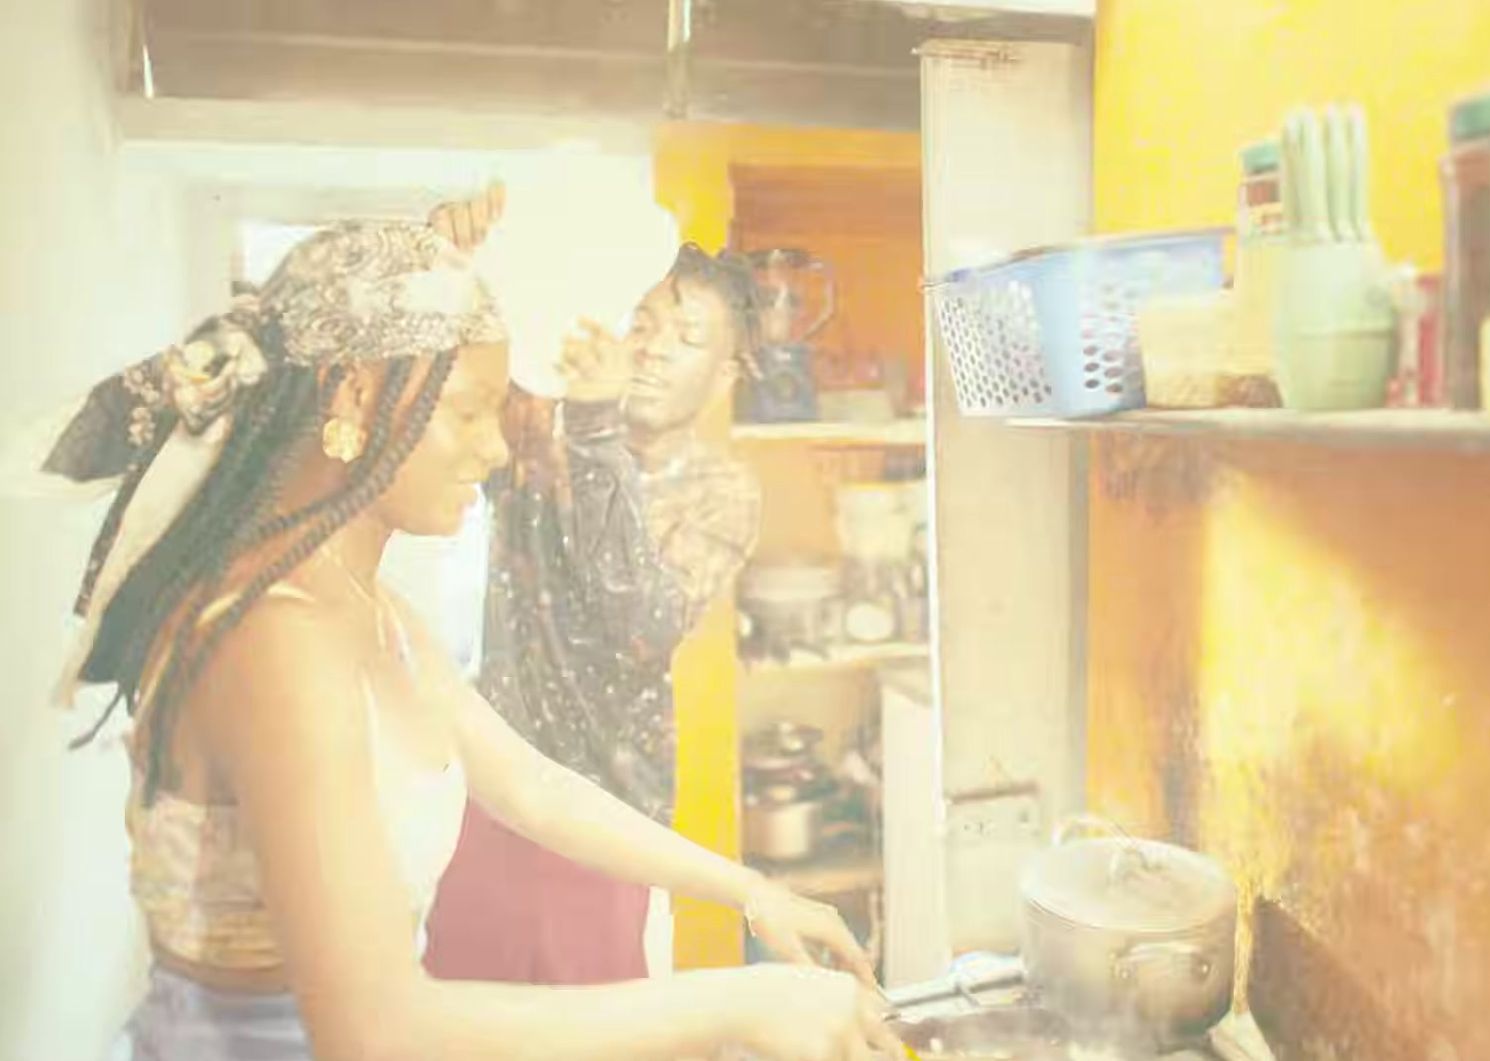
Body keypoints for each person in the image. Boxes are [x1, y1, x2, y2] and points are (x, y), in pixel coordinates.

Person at [41, 220, 893, 1060]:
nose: (492, 449)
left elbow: (530, 784)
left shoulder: (368, 607)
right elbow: (371, 1031)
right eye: (469, 413)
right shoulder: (276, 640)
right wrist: (741, 998)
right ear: (354, 395)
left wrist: (749, 890)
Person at [424, 196, 769, 985]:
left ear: (724, 379)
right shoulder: (534, 421)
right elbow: (438, 396)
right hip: (493, 792)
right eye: (642, 322)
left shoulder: (721, 488)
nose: (649, 350)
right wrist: (446, 270)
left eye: (686, 339)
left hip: (610, 822)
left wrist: (594, 426)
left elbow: (638, 622)